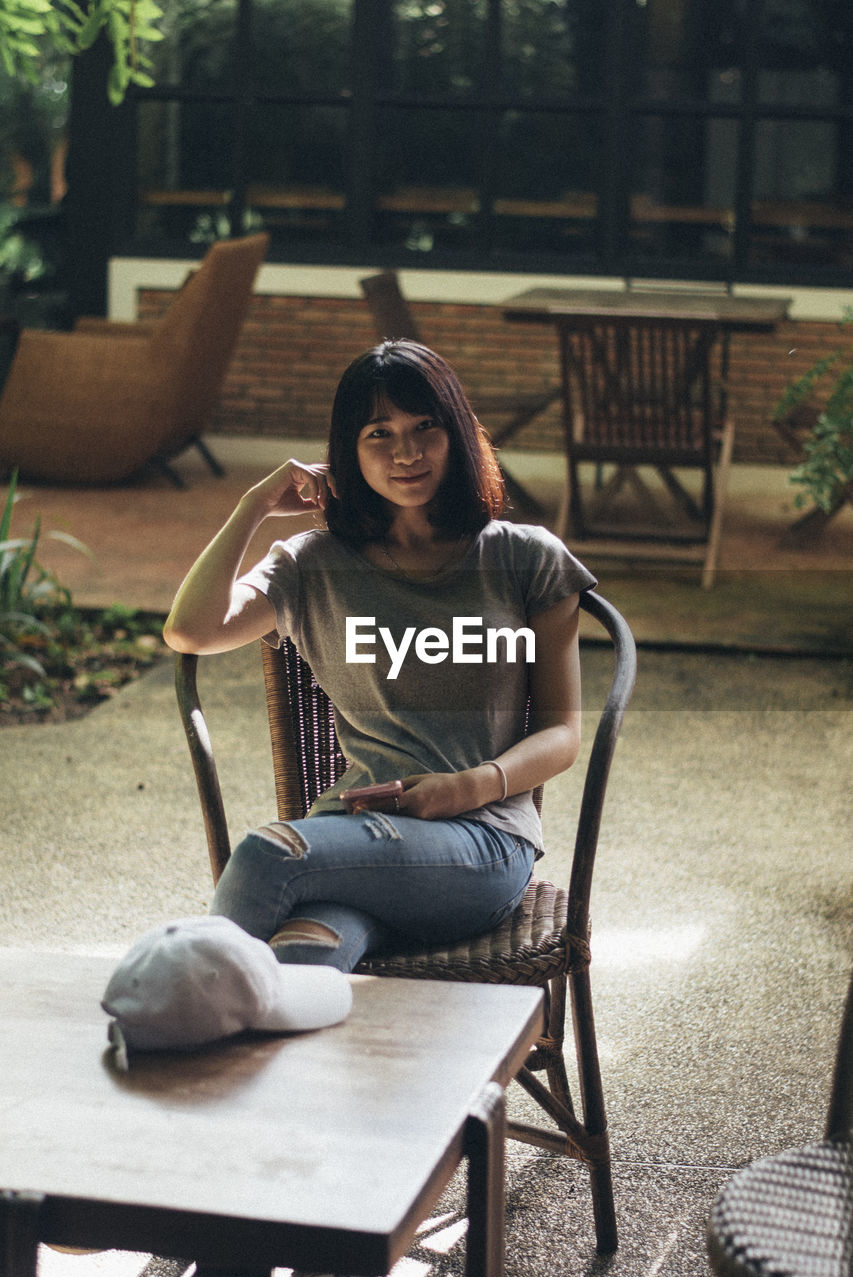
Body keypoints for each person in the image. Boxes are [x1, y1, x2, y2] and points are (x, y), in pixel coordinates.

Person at [164, 339, 596, 972]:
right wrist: (251, 506)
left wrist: (470, 787)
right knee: (306, 955)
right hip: (357, 837)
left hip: (484, 842)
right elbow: (191, 630)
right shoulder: (315, 564)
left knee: (265, 854)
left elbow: (563, 733)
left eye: (426, 427)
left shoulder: (525, 557)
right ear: (348, 451)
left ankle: (181, 1016)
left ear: (458, 436)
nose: (407, 453)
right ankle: (300, 1067)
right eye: (379, 433)